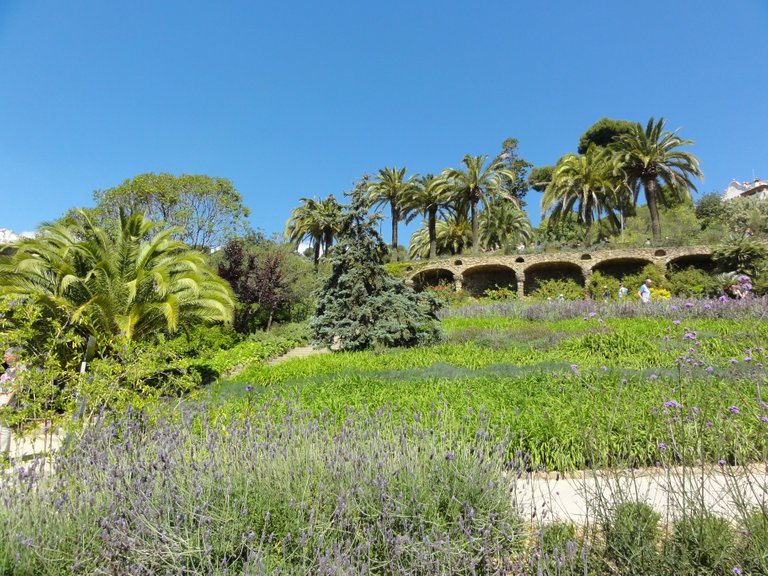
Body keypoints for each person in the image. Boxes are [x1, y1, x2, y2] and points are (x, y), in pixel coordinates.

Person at [0, 348, 21, 458]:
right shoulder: (8, 367)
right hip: (1, 396)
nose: (5, 358)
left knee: (4, 426)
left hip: (7, 398)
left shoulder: (18, 368)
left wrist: (6, 403)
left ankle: (3, 455)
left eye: (7, 356)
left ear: (14, 356)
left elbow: (15, 387)